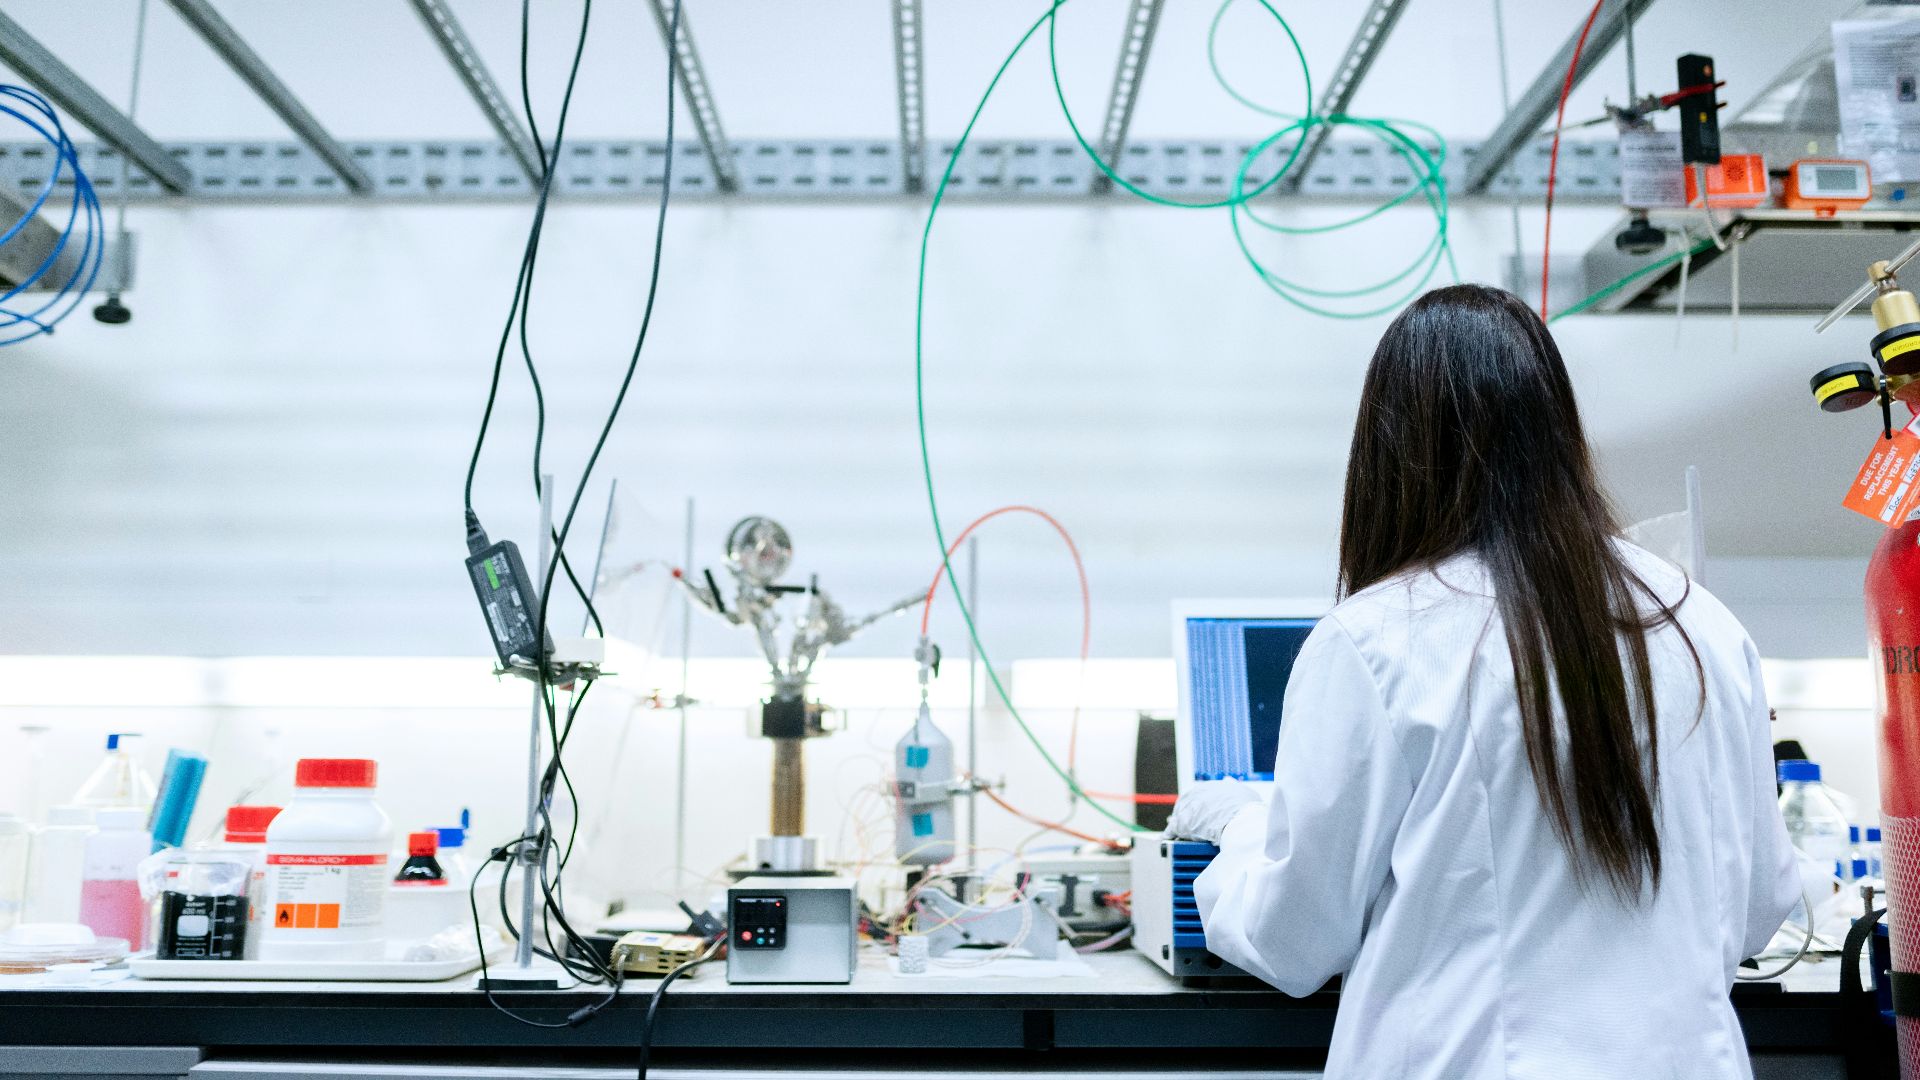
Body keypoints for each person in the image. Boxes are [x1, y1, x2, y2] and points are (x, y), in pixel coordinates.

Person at [1168, 285, 1800, 1079]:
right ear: (1559, 429)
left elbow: (1294, 938)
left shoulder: (1377, 640)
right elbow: (1758, 907)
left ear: (1391, 452)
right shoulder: (1699, 623)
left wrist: (1238, 829)